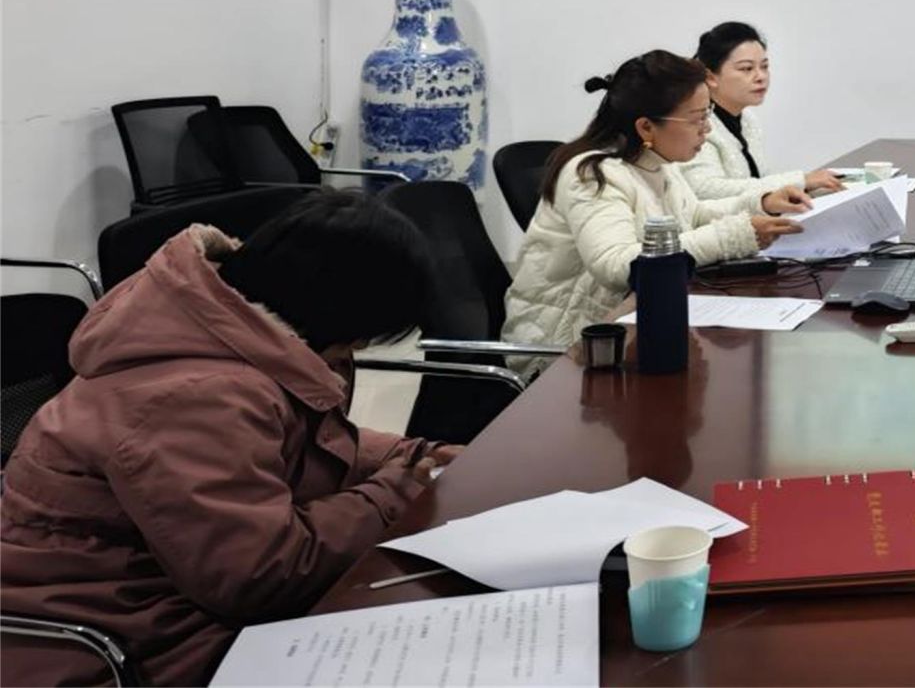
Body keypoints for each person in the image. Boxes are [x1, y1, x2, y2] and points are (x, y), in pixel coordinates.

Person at [0, 192, 460, 687]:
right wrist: (397, 490)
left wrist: (408, 456)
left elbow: (295, 444)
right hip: (112, 641)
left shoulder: (233, 332)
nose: (360, 347)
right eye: (360, 335)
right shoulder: (194, 397)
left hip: (167, 599)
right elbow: (260, 577)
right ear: (335, 310)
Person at [504, 50, 808, 347]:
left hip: (627, 324)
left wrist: (762, 203)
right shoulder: (593, 174)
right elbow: (617, 265)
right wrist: (731, 236)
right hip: (569, 346)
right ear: (646, 126)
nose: (707, 129)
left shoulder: (656, 160)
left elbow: (693, 215)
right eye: (698, 118)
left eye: (708, 113)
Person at [680, 20, 844, 202]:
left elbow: (760, 183)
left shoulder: (748, 119)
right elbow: (705, 190)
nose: (761, 77)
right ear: (710, 77)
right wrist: (800, 181)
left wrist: (811, 189)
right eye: (747, 68)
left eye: (764, 66)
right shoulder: (697, 124)